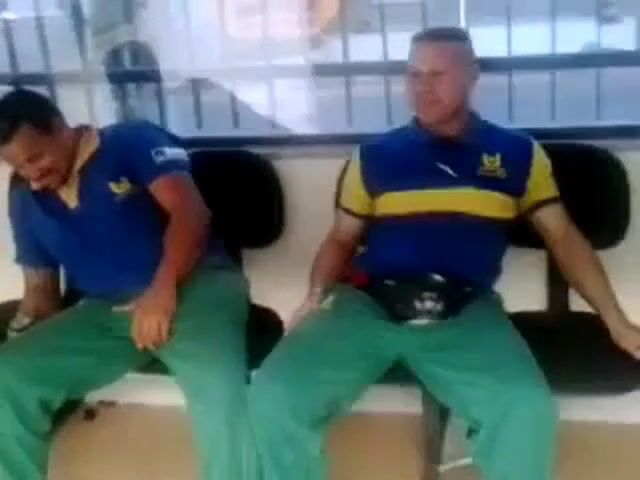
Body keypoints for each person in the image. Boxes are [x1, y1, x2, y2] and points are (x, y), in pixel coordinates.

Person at [249, 27, 640, 480]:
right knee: (274, 395)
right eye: (413, 74)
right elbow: (341, 238)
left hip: (464, 310)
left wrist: (616, 320)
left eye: (437, 74)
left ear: (472, 75)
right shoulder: (374, 156)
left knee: (525, 408)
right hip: (367, 304)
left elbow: (563, 238)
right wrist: (314, 297)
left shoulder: (517, 154)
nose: (422, 87)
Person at [0, 89, 254, 480]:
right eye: (18, 167)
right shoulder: (24, 194)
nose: (32, 176)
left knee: (219, 389)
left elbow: (191, 213)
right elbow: (40, 292)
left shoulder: (129, 140)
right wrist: (21, 336)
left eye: (36, 158)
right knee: (7, 375)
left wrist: (162, 291)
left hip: (195, 286)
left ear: (59, 127)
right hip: (106, 309)